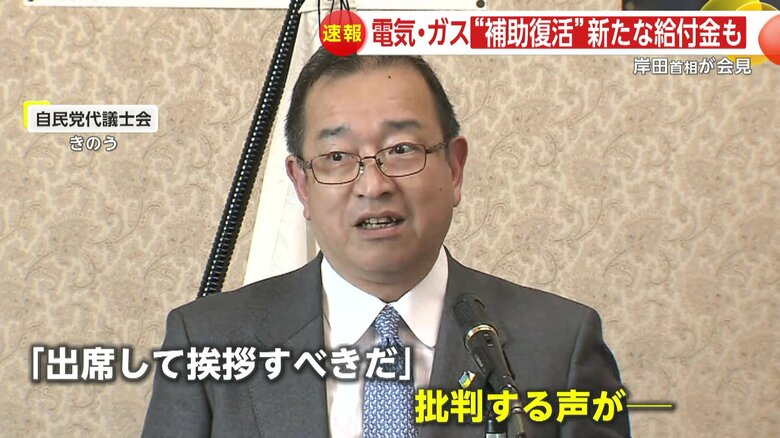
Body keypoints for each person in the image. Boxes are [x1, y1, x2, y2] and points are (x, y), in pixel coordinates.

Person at [142, 47, 631, 438]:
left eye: (401, 149)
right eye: (337, 156)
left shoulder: (560, 343)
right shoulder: (206, 341)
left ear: (454, 168)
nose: (373, 185)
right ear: (302, 185)